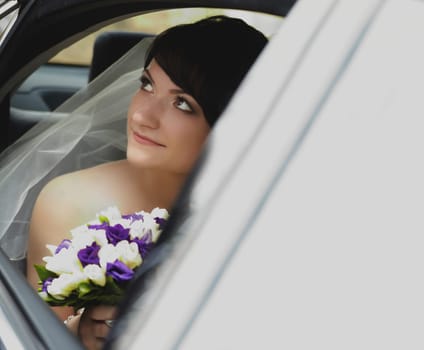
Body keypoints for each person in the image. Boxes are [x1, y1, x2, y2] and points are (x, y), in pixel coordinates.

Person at [24, 15, 268, 350]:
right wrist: (80, 329)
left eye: (182, 104)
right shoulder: (69, 201)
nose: (141, 115)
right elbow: (35, 336)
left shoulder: (265, 209)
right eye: (147, 84)